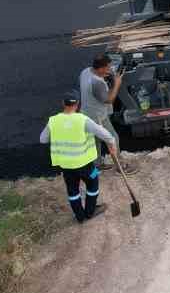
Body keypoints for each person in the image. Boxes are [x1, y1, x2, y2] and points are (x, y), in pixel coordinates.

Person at [39, 93, 118, 223]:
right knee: (93, 183)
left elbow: (42, 139)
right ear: (77, 104)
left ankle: (80, 216)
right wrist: (112, 144)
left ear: (63, 104)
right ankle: (90, 211)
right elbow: (105, 134)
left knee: (72, 190)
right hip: (86, 165)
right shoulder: (83, 120)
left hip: (66, 166)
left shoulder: (53, 121)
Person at [79, 55, 121, 157]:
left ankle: (97, 163)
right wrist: (117, 84)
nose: (110, 69)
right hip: (97, 117)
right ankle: (118, 162)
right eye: (108, 67)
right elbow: (109, 100)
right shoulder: (97, 82)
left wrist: (104, 76)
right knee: (113, 138)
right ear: (101, 68)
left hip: (86, 113)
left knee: (96, 141)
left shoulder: (85, 72)